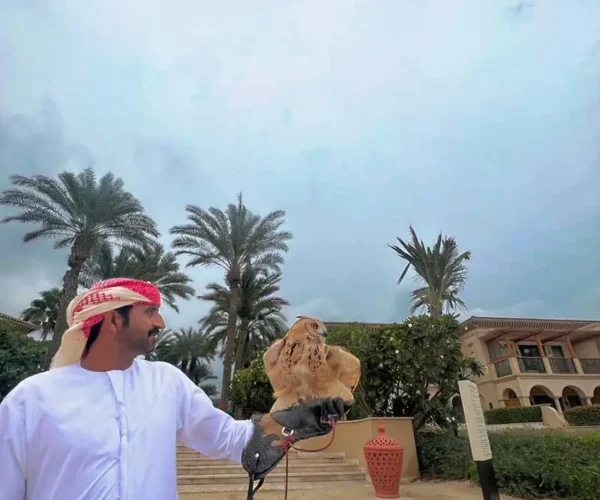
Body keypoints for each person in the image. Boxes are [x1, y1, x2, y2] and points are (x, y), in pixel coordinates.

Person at [0, 278, 350, 500]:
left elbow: (228, 438)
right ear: (113, 319)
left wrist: (291, 422)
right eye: (150, 312)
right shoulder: (31, 400)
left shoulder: (166, 382)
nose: (161, 322)